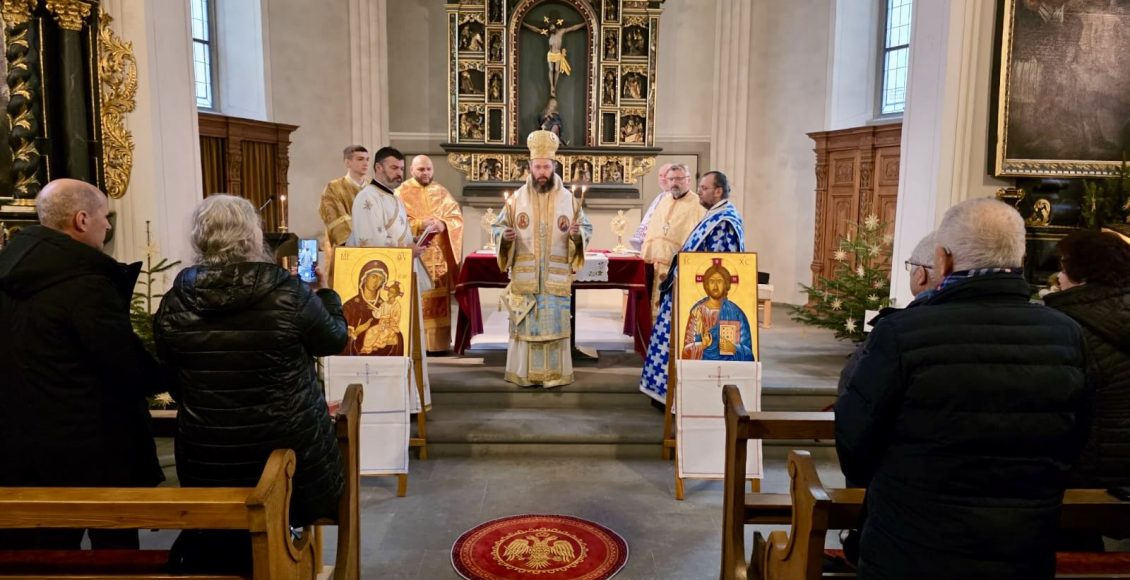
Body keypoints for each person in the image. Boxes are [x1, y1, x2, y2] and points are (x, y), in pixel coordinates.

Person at [835, 198, 1091, 580]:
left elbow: (856, 449)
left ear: (943, 260)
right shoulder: (1066, 334)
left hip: (912, 550)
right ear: (1020, 257)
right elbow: (1077, 440)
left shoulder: (902, 334)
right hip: (1021, 549)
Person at [153, 194, 345, 573]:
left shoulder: (176, 301)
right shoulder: (287, 293)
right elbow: (333, 340)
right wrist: (326, 295)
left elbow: (174, 381)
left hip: (207, 456)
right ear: (252, 237)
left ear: (199, 239)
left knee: (225, 535)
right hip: (290, 457)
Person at [0, 178, 165, 550]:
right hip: (94, 454)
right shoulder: (87, 284)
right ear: (81, 220)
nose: (108, 225)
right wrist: (169, 373)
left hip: (19, 451)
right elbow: (125, 366)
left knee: (41, 558)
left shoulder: (6, 274)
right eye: (104, 216)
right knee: (115, 556)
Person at [492, 130, 592, 388]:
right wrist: (505, 236)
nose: (542, 172)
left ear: (554, 166)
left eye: (546, 166)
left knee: (554, 329)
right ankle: (523, 373)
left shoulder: (569, 200)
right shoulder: (516, 199)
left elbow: (586, 228)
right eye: (537, 166)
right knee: (526, 328)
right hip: (526, 280)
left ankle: (554, 376)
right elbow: (498, 227)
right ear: (530, 167)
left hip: (554, 280)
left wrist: (577, 234)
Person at [639, 170, 745, 403]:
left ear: (718, 191)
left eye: (704, 188)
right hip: (684, 292)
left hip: (698, 301)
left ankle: (676, 398)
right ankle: (666, 396)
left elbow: (718, 265)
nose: (699, 192)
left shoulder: (724, 220)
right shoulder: (715, 215)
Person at [1045, 230, 1130, 490]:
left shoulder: (1065, 325)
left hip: (1088, 470)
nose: (1059, 277)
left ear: (1081, 274)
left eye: (1063, 267)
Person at [348, 146, 432, 408]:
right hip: (386, 285)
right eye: (393, 168)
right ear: (378, 168)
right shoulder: (367, 199)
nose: (399, 173)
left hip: (403, 278)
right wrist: (408, 250)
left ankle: (408, 400)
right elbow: (370, 245)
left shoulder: (393, 198)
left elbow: (396, 236)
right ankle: (389, 403)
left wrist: (415, 242)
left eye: (400, 168)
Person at [396, 154, 464, 353]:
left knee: (438, 299)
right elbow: (396, 223)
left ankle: (439, 345)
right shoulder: (401, 193)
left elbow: (456, 217)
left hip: (438, 257)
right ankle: (416, 344)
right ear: (412, 171)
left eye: (428, 169)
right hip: (416, 254)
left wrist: (443, 224)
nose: (425, 173)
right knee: (417, 297)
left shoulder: (441, 192)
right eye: (421, 169)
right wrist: (420, 223)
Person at [640, 164, 705, 316]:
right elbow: (653, 230)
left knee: (673, 311)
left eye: (679, 179)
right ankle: (655, 337)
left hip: (678, 266)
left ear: (688, 180)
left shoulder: (697, 204)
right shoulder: (663, 201)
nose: (674, 182)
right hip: (655, 263)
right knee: (653, 307)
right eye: (671, 179)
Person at [680, 260, 754, 360]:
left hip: (730, 369)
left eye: (719, 281)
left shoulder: (736, 313)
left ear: (726, 284)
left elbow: (749, 353)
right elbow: (685, 351)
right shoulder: (697, 313)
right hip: (701, 368)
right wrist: (702, 345)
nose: (715, 286)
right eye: (711, 281)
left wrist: (734, 349)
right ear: (706, 285)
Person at [342, 259, 404, 355]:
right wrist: (356, 332)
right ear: (365, 278)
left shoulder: (385, 305)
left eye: (381, 279)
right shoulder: (350, 306)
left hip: (382, 359)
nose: (377, 282)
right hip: (355, 361)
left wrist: (392, 334)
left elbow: (397, 337)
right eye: (374, 277)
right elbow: (340, 339)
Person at [319, 145, 369, 249]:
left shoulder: (374, 189)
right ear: (348, 162)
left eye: (367, 159)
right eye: (360, 159)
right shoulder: (333, 188)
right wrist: (360, 242)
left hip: (375, 246)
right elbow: (335, 217)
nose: (365, 163)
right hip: (346, 247)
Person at [521, 16, 586, 97]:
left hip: (558, 54)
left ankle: (554, 87)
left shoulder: (561, 32)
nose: (551, 28)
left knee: (556, 70)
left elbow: (573, 28)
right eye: (550, 27)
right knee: (551, 70)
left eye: (552, 26)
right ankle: (552, 86)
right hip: (551, 54)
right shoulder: (548, 34)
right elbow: (536, 30)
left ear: (555, 26)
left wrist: (584, 24)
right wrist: (526, 25)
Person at [630, 162, 672, 251]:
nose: (662, 178)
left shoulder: (675, 197)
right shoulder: (660, 196)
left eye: (666, 175)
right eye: (660, 175)